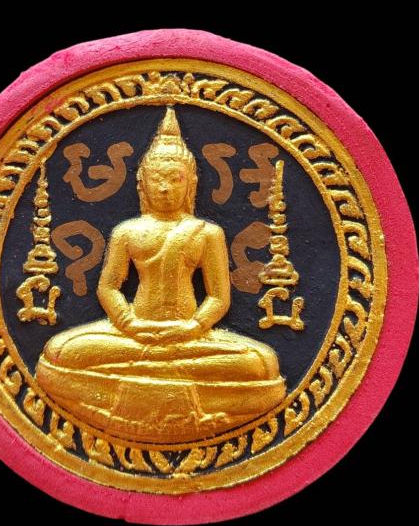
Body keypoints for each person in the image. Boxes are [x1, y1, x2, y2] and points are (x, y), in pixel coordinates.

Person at [35, 107, 285, 443]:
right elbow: (109, 287)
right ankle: (170, 377)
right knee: (61, 350)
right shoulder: (127, 231)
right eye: (157, 179)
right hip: (133, 335)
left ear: (190, 183)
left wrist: (192, 328)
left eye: (174, 179)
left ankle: (142, 379)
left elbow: (218, 297)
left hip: (190, 338)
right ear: (143, 183)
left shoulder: (207, 232)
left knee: (260, 364)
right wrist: (129, 324)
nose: (165, 188)